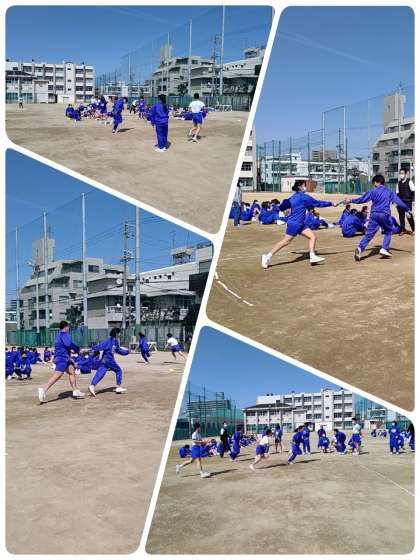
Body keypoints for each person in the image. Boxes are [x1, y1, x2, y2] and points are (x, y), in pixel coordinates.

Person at [261, 180, 339, 268]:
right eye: (304, 185)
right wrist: (331, 203)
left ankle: (312, 256)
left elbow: (283, 206)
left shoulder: (293, 197)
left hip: (300, 223)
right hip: (295, 223)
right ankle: (267, 256)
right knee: (286, 241)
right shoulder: (303, 197)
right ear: (300, 187)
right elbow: (317, 203)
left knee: (312, 237)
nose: (305, 187)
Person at [346, 175, 412, 261]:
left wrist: (351, 200)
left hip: (374, 214)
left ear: (376, 182)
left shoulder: (373, 191)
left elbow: (362, 199)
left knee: (369, 234)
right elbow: (398, 201)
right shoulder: (389, 191)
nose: (374, 185)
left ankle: (360, 248)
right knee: (388, 231)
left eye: (374, 183)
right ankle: (384, 248)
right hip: (384, 214)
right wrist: (407, 209)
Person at [37, 321, 85, 403]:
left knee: (72, 372)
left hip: (64, 358)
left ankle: (75, 390)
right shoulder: (64, 334)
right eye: (68, 327)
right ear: (66, 327)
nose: (69, 328)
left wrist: (71, 352)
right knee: (57, 376)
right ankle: (43, 390)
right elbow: (69, 344)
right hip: (62, 358)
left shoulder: (59, 335)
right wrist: (78, 350)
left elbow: (65, 346)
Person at [88, 328, 129, 396]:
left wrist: (126, 352)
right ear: (116, 333)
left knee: (101, 372)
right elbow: (100, 346)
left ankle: (92, 386)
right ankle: (118, 387)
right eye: (119, 333)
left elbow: (118, 350)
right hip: (109, 360)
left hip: (105, 360)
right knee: (118, 370)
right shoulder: (109, 340)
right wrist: (92, 349)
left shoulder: (115, 341)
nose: (120, 334)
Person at [396, 169, 415, 235]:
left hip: (408, 202)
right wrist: (397, 202)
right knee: (401, 216)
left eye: (402, 173)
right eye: (400, 173)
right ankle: (402, 230)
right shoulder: (398, 183)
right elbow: (397, 193)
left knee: (409, 216)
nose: (401, 175)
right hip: (400, 202)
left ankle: (414, 229)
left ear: (405, 174)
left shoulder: (409, 182)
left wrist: (413, 200)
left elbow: (413, 191)